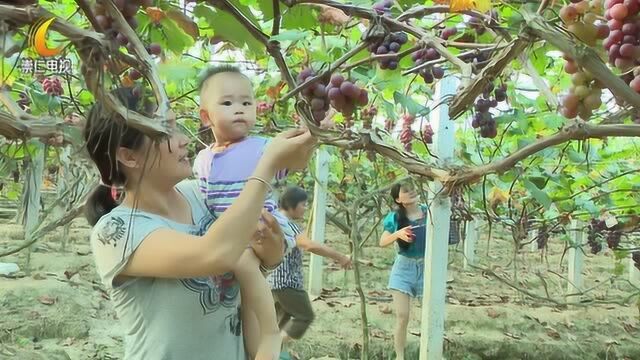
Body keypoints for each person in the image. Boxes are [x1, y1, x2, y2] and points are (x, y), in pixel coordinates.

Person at [84, 87, 316, 360]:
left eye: (177, 127)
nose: (184, 140)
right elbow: (215, 254)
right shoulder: (117, 232)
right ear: (129, 156)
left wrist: (312, 133)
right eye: (166, 132)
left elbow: (253, 255)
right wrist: (265, 165)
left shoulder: (205, 194)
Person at [192, 65, 300, 359]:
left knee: (244, 266)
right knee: (245, 293)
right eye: (227, 103)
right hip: (230, 233)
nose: (239, 109)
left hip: (261, 225)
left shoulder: (262, 147)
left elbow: (297, 154)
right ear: (206, 116)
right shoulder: (202, 159)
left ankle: (269, 335)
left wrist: (311, 132)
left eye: (246, 103)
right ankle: (257, 349)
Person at [268, 186, 352, 358]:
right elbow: (310, 245)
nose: (305, 208)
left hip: (270, 282)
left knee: (277, 324)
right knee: (304, 316)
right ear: (292, 205)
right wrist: (340, 257)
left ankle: (271, 352)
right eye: (303, 204)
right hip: (287, 283)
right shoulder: (288, 225)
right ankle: (272, 348)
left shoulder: (273, 219)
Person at [378, 181, 427, 360]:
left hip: (426, 266)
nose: (412, 192)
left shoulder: (429, 211)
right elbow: (382, 242)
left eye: (412, 188)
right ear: (398, 199)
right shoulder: (395, 217)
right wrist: (398, 234)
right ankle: (400, 357)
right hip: (403, 267)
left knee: (428, 316)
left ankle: (427, 353)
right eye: (406, 191)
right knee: (402, 316)